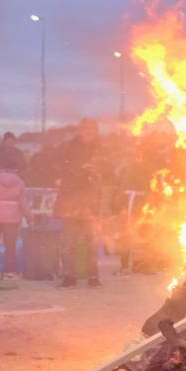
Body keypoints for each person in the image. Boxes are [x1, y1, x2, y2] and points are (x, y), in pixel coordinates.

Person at [54, 118, 106, 287]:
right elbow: (60, 169)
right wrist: (79, 173)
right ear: (79, 130)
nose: (87, 132)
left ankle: (93, 276)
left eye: (91, 129)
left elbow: (107, 173)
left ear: (96, 131)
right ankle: (69, 276)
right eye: (84, 128)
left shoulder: (101, 149)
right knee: (68, 243)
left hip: (91, 204)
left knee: (92, 243)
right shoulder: (69, 148)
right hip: (70, 204)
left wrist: (94, 173)